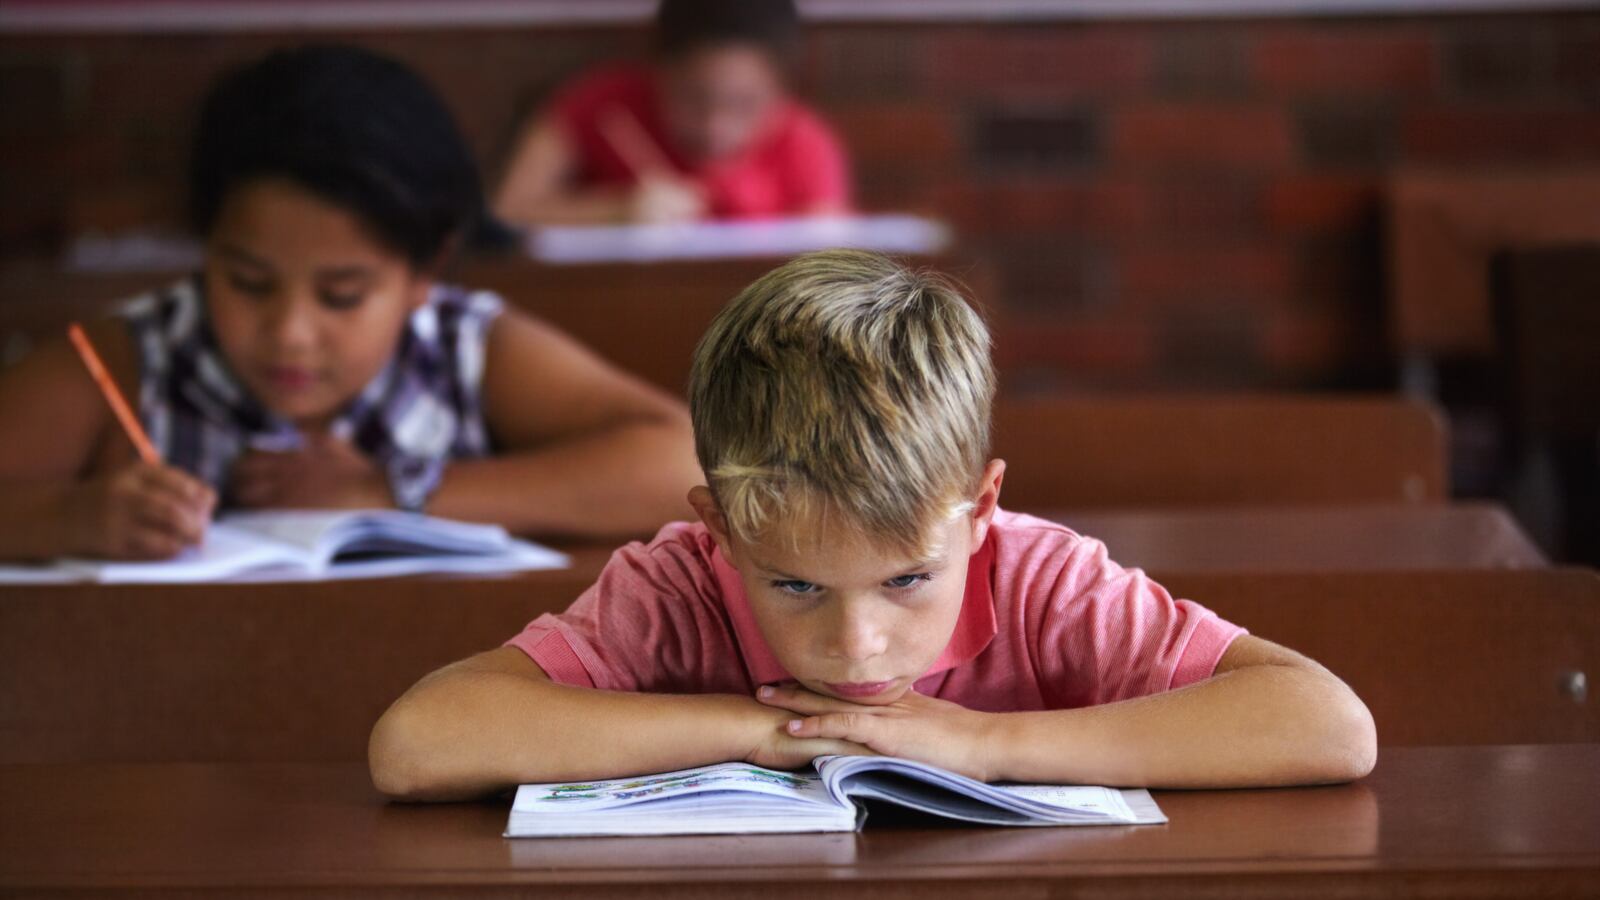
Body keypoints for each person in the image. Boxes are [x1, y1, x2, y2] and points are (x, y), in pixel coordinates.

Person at [369, 250, 1377, 801]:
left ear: (978, 512)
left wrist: (985, 748)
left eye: (905, 582)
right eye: (796, 586)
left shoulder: (1041, 578)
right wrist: (772, 733)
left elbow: (1326, 725)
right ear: (717, 528)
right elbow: (417, 745)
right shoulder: (677, 585)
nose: (854, 647)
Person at [0, 45, 701, 562]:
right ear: (206, 245)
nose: (290, 334)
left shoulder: (463, 348)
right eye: (247, 281)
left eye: (342, 295)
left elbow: (682, 466)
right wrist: (66, 516)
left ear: (424, 272)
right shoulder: (129, 355)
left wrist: (388, 491)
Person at [495, 0, 851, 226]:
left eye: (745, 104)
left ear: (782, 89)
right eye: (693, 97)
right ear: (659, 69)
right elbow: (506, 210)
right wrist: (616, 211)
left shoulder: (805, 139)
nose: (716, 127)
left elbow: (829, 243)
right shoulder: (599, 105)